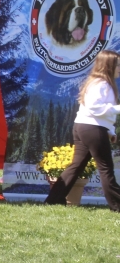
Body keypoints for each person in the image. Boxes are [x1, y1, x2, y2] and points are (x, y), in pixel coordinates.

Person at [45, 50, 120, 211]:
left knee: (76, 166)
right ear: (109, 66)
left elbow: (98, 112)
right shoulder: (102, 84)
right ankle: (117, 205)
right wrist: (117, 109)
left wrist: (111, 131)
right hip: (92, 128)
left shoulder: (97, 82)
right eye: (118, 65)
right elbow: (95, 107)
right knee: (106, 168)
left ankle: (53, 200)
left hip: (84, 127)